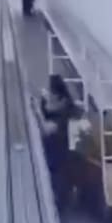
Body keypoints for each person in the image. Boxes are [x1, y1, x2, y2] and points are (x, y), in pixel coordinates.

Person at [34, 74, 76, 210]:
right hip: (64, 154)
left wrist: (37, 112)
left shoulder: (67, 114)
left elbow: (46, 129)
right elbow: (50, 112)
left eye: (51, 94)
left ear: (59, 97)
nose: (49, 97)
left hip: (63, 160)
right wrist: (43, 102)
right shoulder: (65, 104)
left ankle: (59, 199)